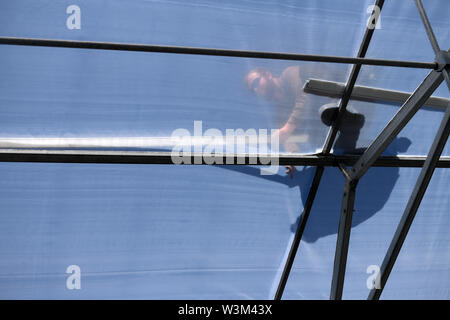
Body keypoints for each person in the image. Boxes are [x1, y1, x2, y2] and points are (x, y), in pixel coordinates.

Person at [245, 65, 365, 177]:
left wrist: (287, 128)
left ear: (267, 74)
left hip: (342, 99)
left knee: (328, 114)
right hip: (328, 129)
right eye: (252, 90)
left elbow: (305, 98)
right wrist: (292, 159)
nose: (256, 90)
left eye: (256, 82)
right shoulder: (280, 115)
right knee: (337, 155)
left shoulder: (289, 75)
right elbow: (289, 141)